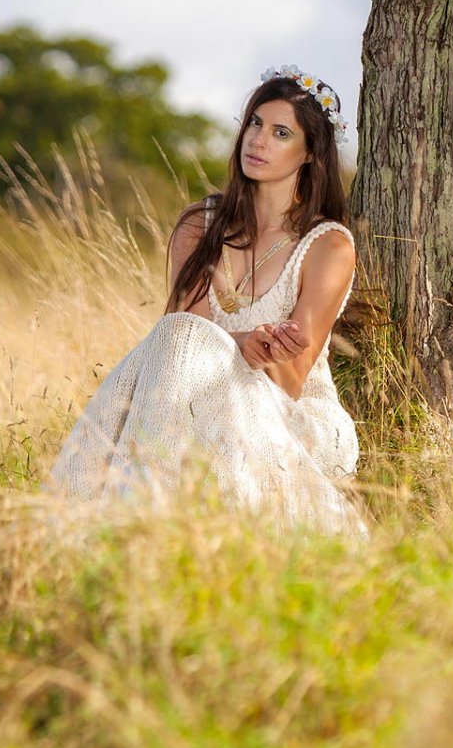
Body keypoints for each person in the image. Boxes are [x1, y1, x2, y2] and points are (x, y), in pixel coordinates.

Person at [44, 66, 366, 535]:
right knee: (175, 337)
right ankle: (130, 520)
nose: (257, 141)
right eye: (254, 124)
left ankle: (130, 519)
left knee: (181, 350)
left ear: (310, 153)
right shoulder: (201, 225)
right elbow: (179, 346)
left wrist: (266, 350)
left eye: (280, 133)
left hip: (290, 414)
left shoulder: (327, 247)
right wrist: (242, 342)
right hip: (189, 401)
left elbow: (293, 380)